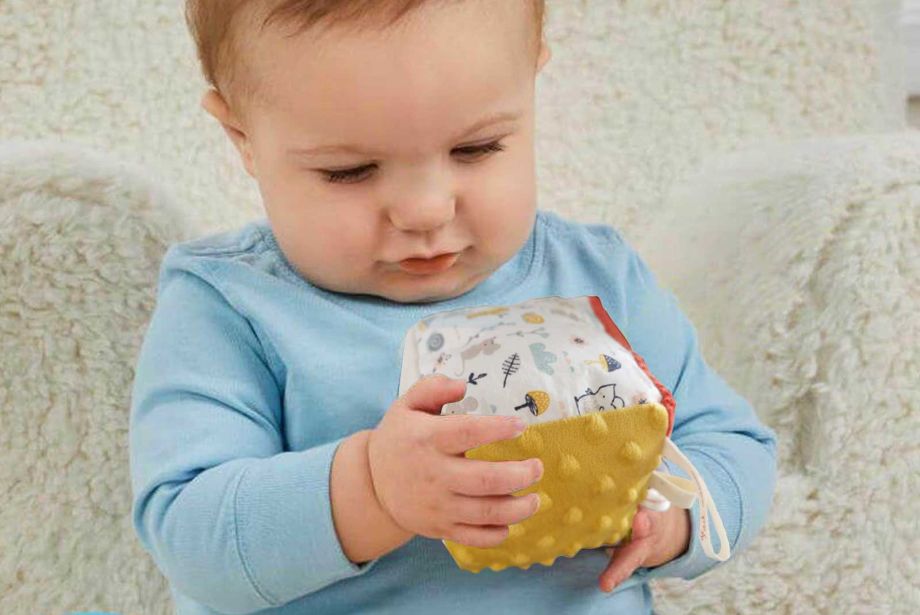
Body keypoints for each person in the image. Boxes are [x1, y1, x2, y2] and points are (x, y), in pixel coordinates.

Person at [129, 1, 778, 613]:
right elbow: (188, 534)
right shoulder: (230, 306)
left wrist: (675, 516)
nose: (425, 209)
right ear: (242, 137)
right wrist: (371, 489)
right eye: (350, 170)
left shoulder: (600, 276)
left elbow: (733, 447)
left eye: (476, 148)